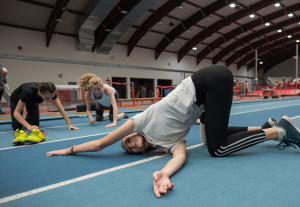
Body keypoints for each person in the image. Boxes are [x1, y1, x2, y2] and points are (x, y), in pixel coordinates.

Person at [47, 65, 300, 198]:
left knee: (218, 149)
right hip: (208, 88)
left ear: (131, 134)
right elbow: (180, 157)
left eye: (126, 142)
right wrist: (162, 174)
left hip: (208, 82)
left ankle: (279, 132)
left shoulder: (141, 121)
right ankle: (263, 127)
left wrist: (69, 150)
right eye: (129, 149)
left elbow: (100, 144)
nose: (130, 144)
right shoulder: (170, 144)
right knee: (206, 132)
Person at [11, 82, 80, 145]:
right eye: (47, 97)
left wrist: (70, 125)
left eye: (51, 97)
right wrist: (28, 126)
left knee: (35, 124)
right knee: (17, 127)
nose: (50, 99)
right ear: (40, 92)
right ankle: (25, 121)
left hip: (33, 101)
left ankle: (28, 118)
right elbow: (16, 113)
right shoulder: (28, 92)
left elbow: (61, 109)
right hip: (16, 99)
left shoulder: (50, 92)